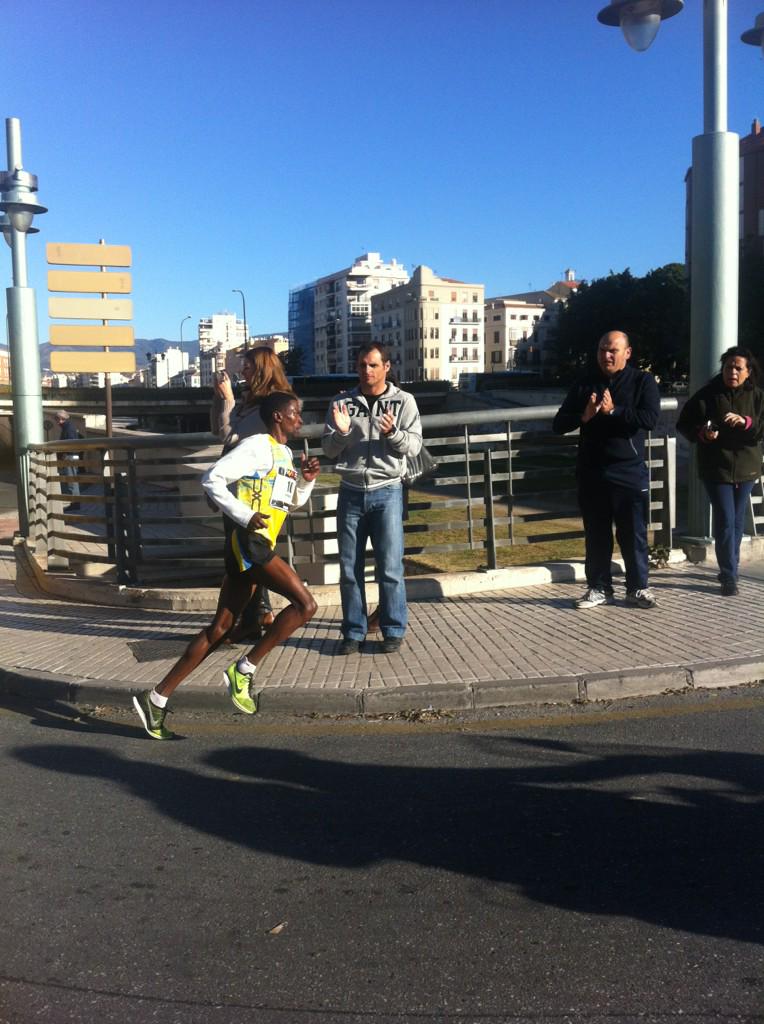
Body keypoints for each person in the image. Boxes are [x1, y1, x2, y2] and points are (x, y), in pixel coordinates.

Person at [132, 392, 320, 739]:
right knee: (305, 605)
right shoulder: (256, 447)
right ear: (278, 416)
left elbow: (287, 504)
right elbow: (212, 478)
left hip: (256, 545)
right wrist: (245, 516)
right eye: (295, 413)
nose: (300, 420)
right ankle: (244, 670)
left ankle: (156, 699)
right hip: (248, 544)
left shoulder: (285, 454)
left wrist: (306, 480)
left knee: (220, 629)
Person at [322, 342, 422, 655]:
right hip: (350, 493)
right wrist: (340, 433)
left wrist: (393, 434)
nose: (367, 371)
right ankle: (354, 630)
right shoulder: (342, 402)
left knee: (390, 567)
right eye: (362, 365)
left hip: (388, 491)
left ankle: (393, 629)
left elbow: (414, 446)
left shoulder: (403, 402)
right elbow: (328, 449)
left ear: (387, 367)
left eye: (373, 365)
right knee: (349, 568)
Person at [553, 330, 660, 610]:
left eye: (612, 350)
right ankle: (599, 588)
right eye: (602, 350)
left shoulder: (642, 381)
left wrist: (614, 411)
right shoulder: (585, 382)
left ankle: (638, 588)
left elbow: (649, 419)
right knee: (596, 534)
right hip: (592, 471)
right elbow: (558, 423)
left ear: (627, 352)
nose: (606, 356)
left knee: (633, 533)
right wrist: (583, 416)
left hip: (628, 470)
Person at [210, 346, 296, 642]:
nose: (242, 371)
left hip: (252, 495)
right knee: (245, 553)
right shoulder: (250, 401)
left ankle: (251, 617)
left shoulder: (271, 406)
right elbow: (219, 429)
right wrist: (222, 399)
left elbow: (233, 438)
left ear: (261, 369)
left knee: (249, 554)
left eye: (247, 366)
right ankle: (256, 615)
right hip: (239, 490)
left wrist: (229, 399)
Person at [676, 346, 764, 596]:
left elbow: (761, 427)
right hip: (716, 468)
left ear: (748, 372)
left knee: (736, 521)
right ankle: (729, 575)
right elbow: (685, 423)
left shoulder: (757, 397)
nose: (732, 372)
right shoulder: (708, 395)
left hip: (747, 467)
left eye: (738, 368)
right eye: (728, 367)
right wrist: (702, 433)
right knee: (726, 519)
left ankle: (729, 568)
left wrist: (747, 422)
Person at [54, 410, 81, 511]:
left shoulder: (68, 428)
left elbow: (70, 444)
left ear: (61, 419)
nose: (57, 422)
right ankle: (75, 503)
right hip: (71, 456)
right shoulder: (69, 427)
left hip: (70, 457)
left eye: (57, 420)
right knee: (72, 480)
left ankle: (75, 504)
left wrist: (63, 454)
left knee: (72, 481)